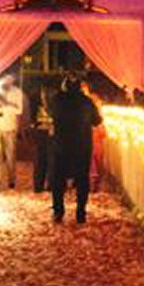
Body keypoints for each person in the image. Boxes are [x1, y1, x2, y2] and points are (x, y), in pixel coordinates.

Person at [48, 75, 100, 223]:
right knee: (82, 179)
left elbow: (49, 112)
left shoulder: (57, 100)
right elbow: (97, 121)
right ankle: (80, 213)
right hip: (82, 146)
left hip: (61, 145)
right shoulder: (86, 101)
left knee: (58, 179)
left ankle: (58, 211)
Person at [0, 76, 20, 191]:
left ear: (13, 80)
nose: (6, 81)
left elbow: (19, 110)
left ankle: (11, 180)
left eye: (9, 79)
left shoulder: (17, 92)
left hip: (10, 127)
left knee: (10, 155)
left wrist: (7, 104)